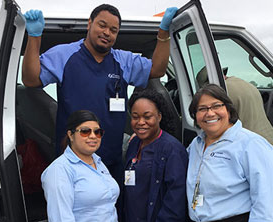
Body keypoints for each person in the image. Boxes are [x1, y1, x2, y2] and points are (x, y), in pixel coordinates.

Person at [22, 5, 177, 184]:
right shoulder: (65, 54)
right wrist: (34, 37)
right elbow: (31, 80)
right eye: (102, 25)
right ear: (89, 24)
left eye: (113, 30)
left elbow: (157, 69)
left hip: (111, 160)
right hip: (73, 160)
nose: (107, 33)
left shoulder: (123, 60)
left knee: (112, 208)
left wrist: (163, 32)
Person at [187, 84, 273, 222]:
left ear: (229, 110)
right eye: (202, 109)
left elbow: (266, 195)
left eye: (216, 106)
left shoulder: (250, 143)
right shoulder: (196, 144)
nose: (210, 113)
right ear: (195, 115)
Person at [41, 110, 122, 222]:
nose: (93, 136)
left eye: (97, 132)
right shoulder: (59, 170)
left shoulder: (98, 162)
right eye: (85, 131)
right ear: (71, 135)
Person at [123, 89, 190, 222]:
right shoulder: (134, 143)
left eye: (147, 117)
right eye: (135, 117)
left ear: (159, 116)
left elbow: (175, 203)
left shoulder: (172, 151)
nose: (141, 122)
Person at [196, 67, 273, 151]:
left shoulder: (223, 93)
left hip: (251, 149)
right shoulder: (245, 84)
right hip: (271, 142)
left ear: (208, 82)